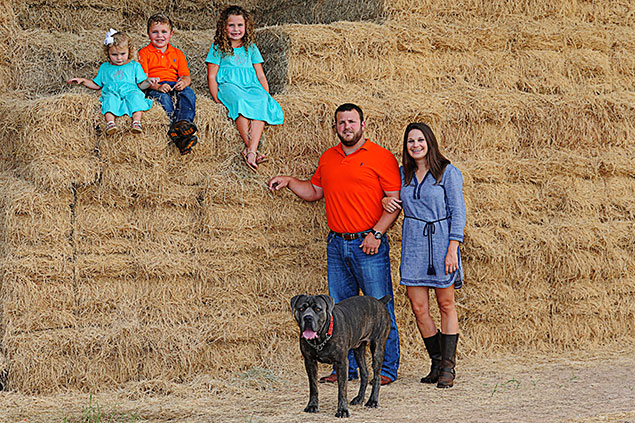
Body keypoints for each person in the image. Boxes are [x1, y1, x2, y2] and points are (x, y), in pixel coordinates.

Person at [268, 103, 400, 385]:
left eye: (352, 122)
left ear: (363, 125)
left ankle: (385, 370)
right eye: (341, 123)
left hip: (369, 244)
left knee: (379, 308)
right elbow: (315, 191)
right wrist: (291, 181)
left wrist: (376, 234)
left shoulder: (381, 157)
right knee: (338, 311)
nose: (347, 127)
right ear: (335, 127)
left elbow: (394, 202)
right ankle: (347, 368)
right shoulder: (328, 158)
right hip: (337, 244)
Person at [382, 122, 466, 388]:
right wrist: (385, 200)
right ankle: (436, 361)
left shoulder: (447, 172)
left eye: (420, 140)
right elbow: (390, 197)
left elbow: (458, 211)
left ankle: (448, 368)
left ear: (429, 142)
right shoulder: (401, 174)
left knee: (446, 304)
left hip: (442, 243)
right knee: (419, 307)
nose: (415, 145)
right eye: (410, 141)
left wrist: (453, 249)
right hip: (414, 243)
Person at [206, 5, 284, 172]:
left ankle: (250, 150)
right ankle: (252, 150)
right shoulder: (217, 47)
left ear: (246, 27)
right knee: (240, 102)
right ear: (223, 27)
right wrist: (216, 98)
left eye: (240, 25)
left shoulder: (251, 48)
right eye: (231, 25)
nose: (236, 29)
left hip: (251, 85)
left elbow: (260, 74)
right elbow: (212, 76)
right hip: (229, 86)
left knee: (261, 102)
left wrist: (266, 94)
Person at [68, 29, 156, 135]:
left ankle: (136, 122)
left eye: (122, 54)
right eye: (114, 54)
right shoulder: (105, 67)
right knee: (109, 100)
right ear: (108, 53)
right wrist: (83, 81)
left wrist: (148, 81)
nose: (119, 58)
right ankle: (110, 123)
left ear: (129, 51)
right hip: (112, 92)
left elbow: (141, 85)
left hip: (130, 91)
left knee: (136, 98)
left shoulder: (134, 65)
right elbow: (96, 84)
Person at [139, 13, 198, 155]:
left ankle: (183, 123)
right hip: (156, 85)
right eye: (155, 32)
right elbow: (142, 80)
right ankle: (174, 128)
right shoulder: (144, 53)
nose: (160, 36)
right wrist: (157, 87)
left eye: (164, 32)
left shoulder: (177, 53)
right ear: (148, 34)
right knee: (163, 99)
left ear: (171, 34)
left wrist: (183, 83)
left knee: (189, 93)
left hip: (174, 83)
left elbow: (186, 76)